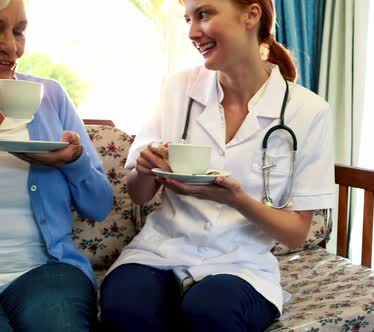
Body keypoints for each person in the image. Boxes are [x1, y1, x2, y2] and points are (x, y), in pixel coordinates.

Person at [99, 0, 335, 331]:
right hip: (160, 250)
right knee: (124, 308)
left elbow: (296, 234)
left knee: (210, 311)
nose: (193, 32)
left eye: (204, 14)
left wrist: (235, 199)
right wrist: (146, 167)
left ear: (252, 15)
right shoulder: (177, 89)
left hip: (241, 264)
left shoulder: (308, 112)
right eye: (188, 19)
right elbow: (138, 194)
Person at [0, 0, 114, 331]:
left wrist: (74, 162)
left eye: (18, 32)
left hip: (45, 271)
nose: (11, 48)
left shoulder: (50, 96)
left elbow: (99, 206)